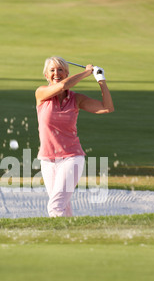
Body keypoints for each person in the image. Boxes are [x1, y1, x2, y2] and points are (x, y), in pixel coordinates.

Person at [35, 56, 114, 218]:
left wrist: (101, 80)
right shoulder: (41, 93)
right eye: (52, 70)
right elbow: (62, 86)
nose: (56, 73)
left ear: (67, 73)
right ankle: (70, 235)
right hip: (47, 160)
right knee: (63, 205)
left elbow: (107, 108)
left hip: (71, 157)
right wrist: (86, 72)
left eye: (61, 70)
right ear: (46, 75)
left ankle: (57, 238)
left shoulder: (76, 99)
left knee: (56, 205)